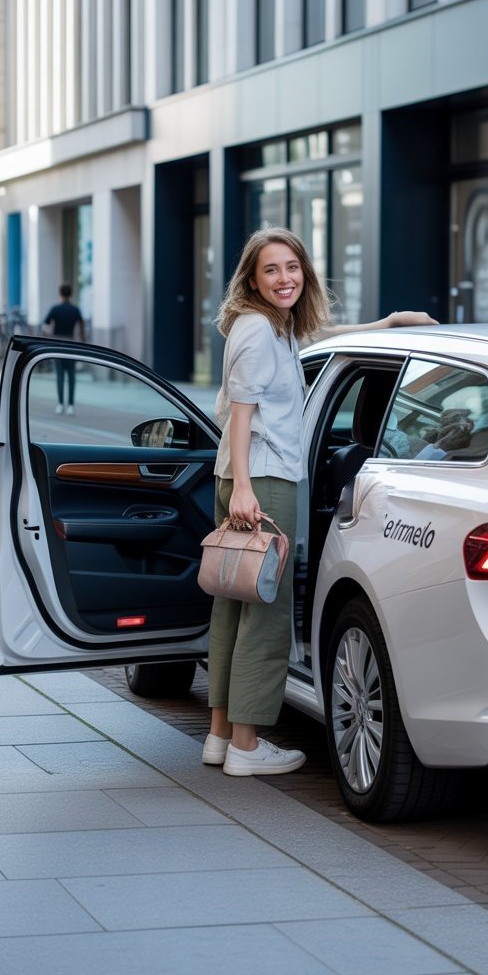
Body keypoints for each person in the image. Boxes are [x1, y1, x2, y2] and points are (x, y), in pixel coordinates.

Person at [202, 227, 436, 776]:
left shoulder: (267, 326)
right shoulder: (260, 332)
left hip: (242, 478)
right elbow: (242, 413)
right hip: (261, 482)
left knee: (232, 608)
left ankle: (218, 737)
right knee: (266, 612)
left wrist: (383, 327)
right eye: (271, 270)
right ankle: (247, 746)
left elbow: (319, 333)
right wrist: (245, 488)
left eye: (292, 267)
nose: (284, 278)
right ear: (252, 279)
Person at [42, 283, 86, 415]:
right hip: (71, 344)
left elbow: (46, 324)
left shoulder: (55, 309)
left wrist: (49, 336)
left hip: (57, 344)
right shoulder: (75, 309)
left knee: (60, 375)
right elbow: (82, 328)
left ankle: (60, 404)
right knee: (71, 376)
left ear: (60, 294)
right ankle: (71, 405)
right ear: (71, 294)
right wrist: (84, 344)